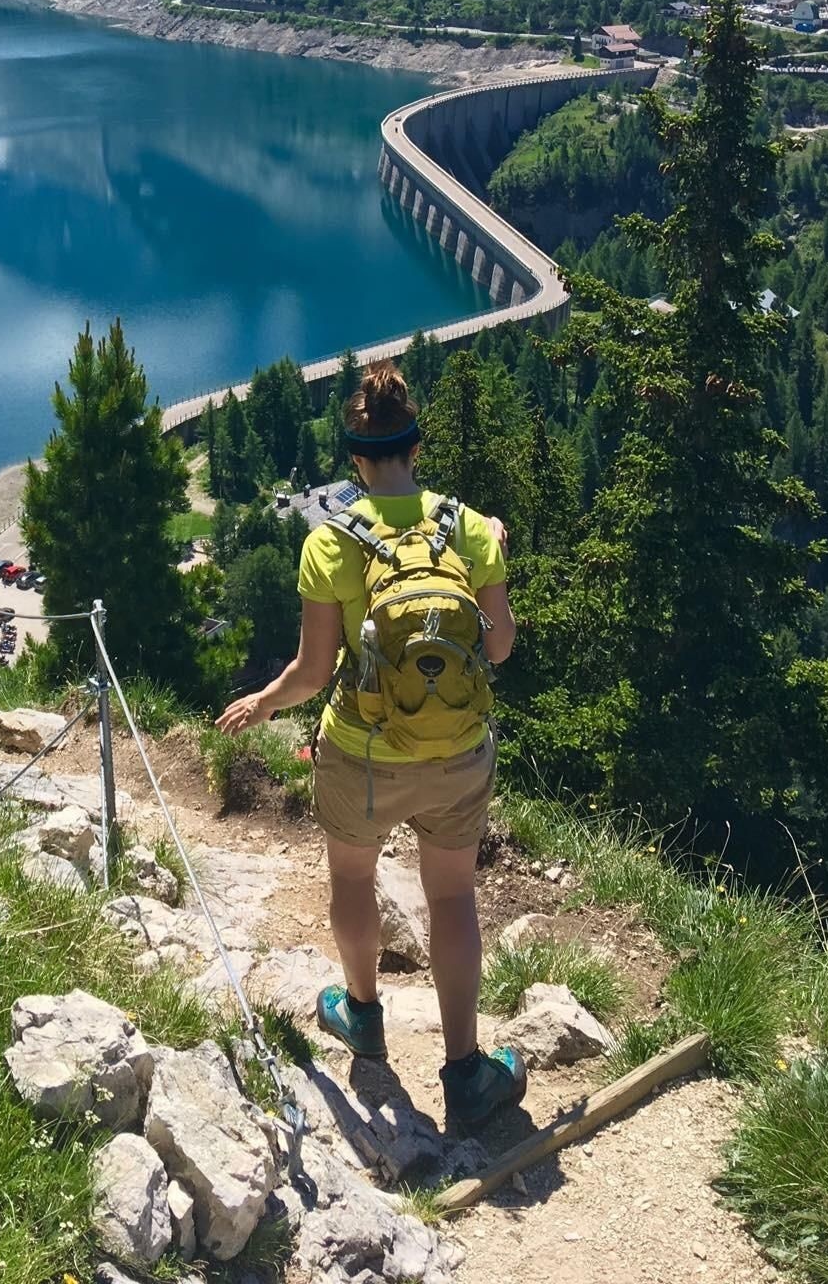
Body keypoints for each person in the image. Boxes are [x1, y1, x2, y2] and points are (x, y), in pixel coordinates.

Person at [216, 361, 525, 1129]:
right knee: (451, 895)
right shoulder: (470, 528)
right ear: (414, 448)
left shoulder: (329, 544)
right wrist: (496, 555)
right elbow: (504, 648)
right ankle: (465, 1072)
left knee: (353, 879)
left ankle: (363, 1016)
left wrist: (262, 702)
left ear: (355, 457)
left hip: (363, 754)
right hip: (456, 752)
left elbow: (313, 673)